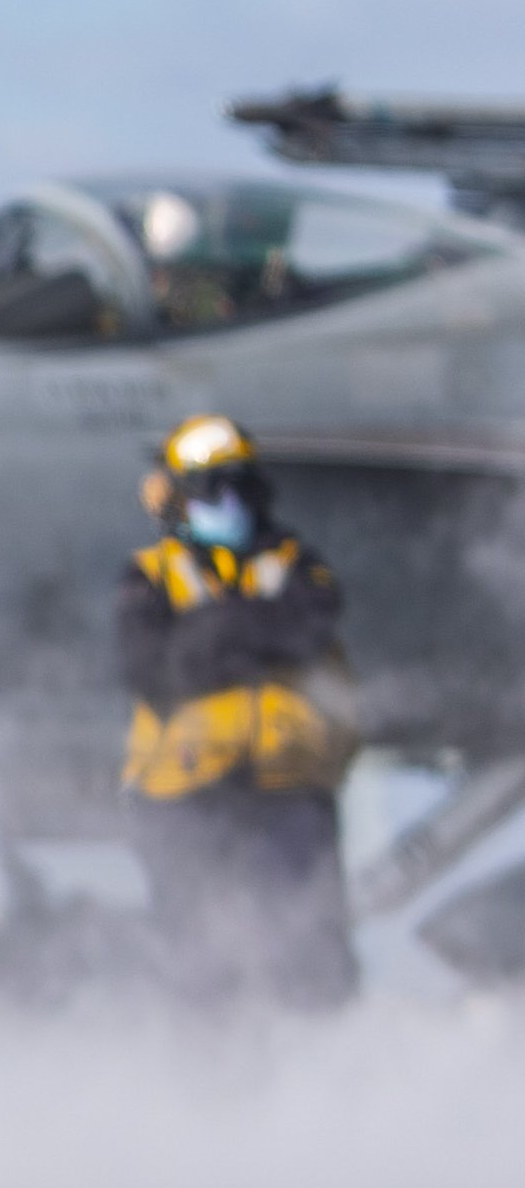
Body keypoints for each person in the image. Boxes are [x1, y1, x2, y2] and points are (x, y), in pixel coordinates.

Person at [117, 414, 362, 1007]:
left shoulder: (298, 566)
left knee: (312, 958)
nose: (228, 503)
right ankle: (213, 1088)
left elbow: (309, 625)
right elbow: (157, 672)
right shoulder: (149, 578)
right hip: (184, 796)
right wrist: (250, 631)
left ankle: (324, 1079)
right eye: (209, 490)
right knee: (201, 961)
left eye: (238, 486)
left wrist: (213, 632)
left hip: (288, 790)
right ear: (177, 498)